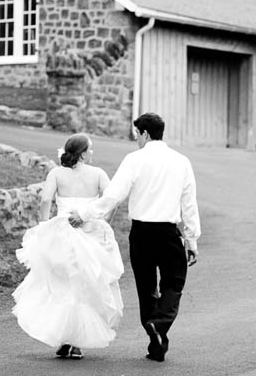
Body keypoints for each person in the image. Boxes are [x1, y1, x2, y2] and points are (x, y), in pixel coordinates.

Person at [70, 112, 200, 362]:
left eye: (137, 135)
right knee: (174, 283)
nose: (137, 140)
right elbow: (189, 203)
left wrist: (85, 214)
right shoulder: (181, 161)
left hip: (141, 233)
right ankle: (159, 327)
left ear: (145, 133)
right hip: (168, 232)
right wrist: (192, 239)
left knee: (146, 287)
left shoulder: (134, 159)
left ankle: (156, 340)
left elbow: (113, 196)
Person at [12, 133, 125, 360]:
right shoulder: (98, 174)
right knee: (86, 287)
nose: (92, 153)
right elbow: (113, 199)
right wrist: (104, 221)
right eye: (90, 149)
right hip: (90, 232)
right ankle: (75, 342)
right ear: (82, 153)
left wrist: (44, 225)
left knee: (63, 286)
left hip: (62, 233)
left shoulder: (56, 173)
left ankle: (66, 340)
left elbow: (45, 200)